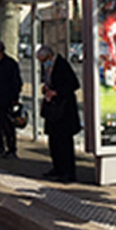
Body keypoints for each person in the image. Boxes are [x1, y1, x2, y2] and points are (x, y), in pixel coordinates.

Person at [36, 45, 81, 182]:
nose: (44, 64)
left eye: (44, 60)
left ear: (50, 56)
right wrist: (47, 89)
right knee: (54, 141)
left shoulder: (62, 65)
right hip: (53, 111)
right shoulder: (49, 68)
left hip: (64, 110)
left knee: (64, 143)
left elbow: (73, 84)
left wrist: (56, 92)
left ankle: (67, 172)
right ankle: (57, 168)